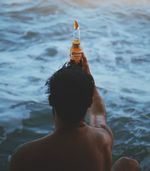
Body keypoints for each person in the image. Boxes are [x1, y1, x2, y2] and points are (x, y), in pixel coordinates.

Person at [10, 53, 140, 171]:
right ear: (89, 102)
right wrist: (89, 81)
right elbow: (98, 115)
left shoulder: (25, 155)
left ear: (50, 100)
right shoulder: (102, 138)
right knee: (129, 164)